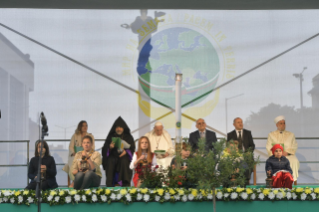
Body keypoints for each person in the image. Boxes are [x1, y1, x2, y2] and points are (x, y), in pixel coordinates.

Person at [102, 116, 135, 187]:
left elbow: (132, 148)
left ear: (123, 128)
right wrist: (110, 148)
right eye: (117, 127)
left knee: (124, 160)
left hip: (124, 157)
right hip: (113, 157)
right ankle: (110, 184)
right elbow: (104, 150)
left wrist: (126, 152)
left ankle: (125, 184)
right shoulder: (110, 137)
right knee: (110, 160)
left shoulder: (129, 137)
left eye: (120, 127)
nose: (118, 129)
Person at [266, 115, 299, 183]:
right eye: (281, 123)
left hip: (288, 155)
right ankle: (276, 181)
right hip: (276, 156)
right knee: (272, 162)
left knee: (294, 161)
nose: (283, 125)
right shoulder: (271, 135)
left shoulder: (291, 134)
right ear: (277, 125)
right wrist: (276, 154)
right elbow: (268, 146)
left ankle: (292, 180)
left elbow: (294, 145)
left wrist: (287, 152)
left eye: (284, 123)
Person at [63, 121, 95, 188]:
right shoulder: (75, 135)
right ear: (80, 127)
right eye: (83, 126)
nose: (85, 127)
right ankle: (75, 180)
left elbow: (93, 147)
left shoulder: (90, 136)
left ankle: (75, 182)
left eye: (86, 125)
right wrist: (73, 153)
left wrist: (87, 154)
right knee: (73, 161)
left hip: (87, 155)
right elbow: (71, 147)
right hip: (76, 155)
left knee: (88, 162)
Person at [227, 117, 255, 185]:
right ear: (234, 124)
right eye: (238, 122)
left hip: (246, 155)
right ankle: (234, 181)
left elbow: (252, 145)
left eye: (241, 122)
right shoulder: (230, 134)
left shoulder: (248, 133)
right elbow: (228, 147)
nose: (240, 124)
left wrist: (249, 152)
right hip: (235, 156)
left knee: (249, 161)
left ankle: (246, 181)